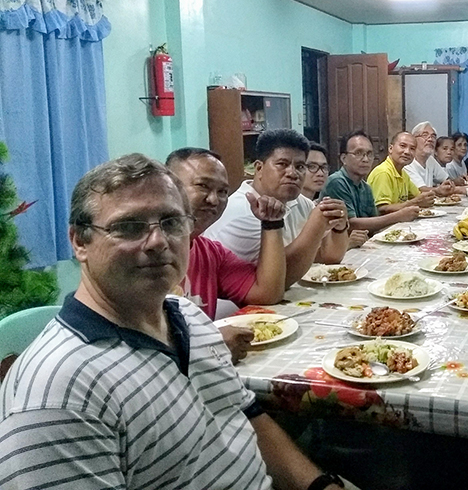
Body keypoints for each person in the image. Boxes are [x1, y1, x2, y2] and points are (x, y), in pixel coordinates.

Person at [0, 154, 347, 490]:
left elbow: (247, 415)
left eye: (171, 222)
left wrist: (319, 484)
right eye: (129, 226)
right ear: (80, 241)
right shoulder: (57, 393)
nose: (157, 241)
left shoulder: (189, 318)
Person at [166, 148, 286, 362]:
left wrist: (272, 223)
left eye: (222, 192)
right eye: (202, 186)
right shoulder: (143, 254)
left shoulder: (211, 253)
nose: (213, 199)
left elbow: (268, 293)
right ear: (167, 188)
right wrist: (208, 345)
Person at [205, 129, 349, 285]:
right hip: (237, 306)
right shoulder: (242, 212)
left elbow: (328, 256)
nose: (292, 173)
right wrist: (316, 225)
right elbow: (278, 280)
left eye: (300, 166)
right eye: (282, 164)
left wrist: (339, 228)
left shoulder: (300, 202)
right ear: (259, 168)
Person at [321, 129, 420, 233]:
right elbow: (351, 224)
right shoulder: (337, 182)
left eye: (369, 154)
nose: (365, 159)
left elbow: (374, 220)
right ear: (344, 158)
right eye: (358, 153)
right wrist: (398, 216)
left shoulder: (365, 187)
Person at [367, 131, 435, 214]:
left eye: (412, 149)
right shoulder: (383, 173)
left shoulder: (403, 173)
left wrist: (432, 195)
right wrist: (415, 202)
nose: (407, 152)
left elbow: (418, 196)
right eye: (403, 146)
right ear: (390, 148)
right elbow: (382, 209)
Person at [404, 122, 459, 195]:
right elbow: (421, 189)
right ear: (414, 139)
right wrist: (460, 190)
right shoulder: (407, 161)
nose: (430, 139)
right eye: (425, 135)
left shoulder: (430, 160)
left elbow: (446, 179)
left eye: (433, 136)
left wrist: (451, 184)